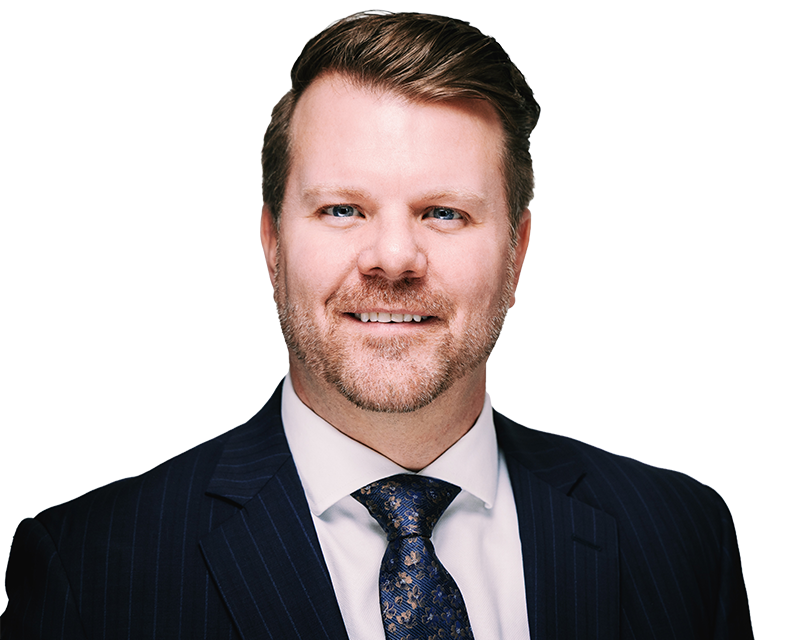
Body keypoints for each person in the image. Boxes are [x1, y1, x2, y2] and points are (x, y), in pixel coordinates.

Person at [0, 12, 752, 640]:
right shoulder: (91, 570)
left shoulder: (680, 537)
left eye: (444, 212)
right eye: (342, 209)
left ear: (517, 250)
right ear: (271, 241)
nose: (393, 257)